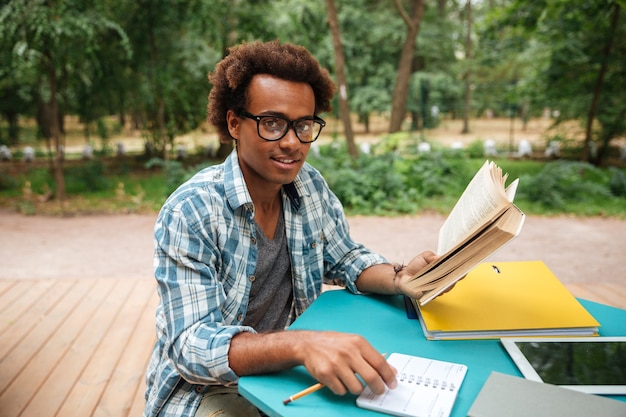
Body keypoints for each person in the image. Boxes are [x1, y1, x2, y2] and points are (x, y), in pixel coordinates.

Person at [143, 40, 438, 417]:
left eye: (303, 125)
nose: (291, 142)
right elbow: (191, 346)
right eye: (272, 123)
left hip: (284, 374)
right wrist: (301, 345)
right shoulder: (192, 212)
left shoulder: (308, 185)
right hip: (205, 391)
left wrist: (399, 276)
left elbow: (345, 257)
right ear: (234, 122)